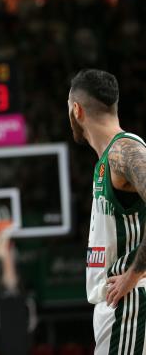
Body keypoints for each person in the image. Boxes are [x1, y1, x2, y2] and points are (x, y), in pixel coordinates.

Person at [68, 69, 146, 354]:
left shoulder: (124, 150)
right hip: (120, 305)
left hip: (130, 303)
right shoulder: (108, 159)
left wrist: (134, 274)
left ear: (77, 110)